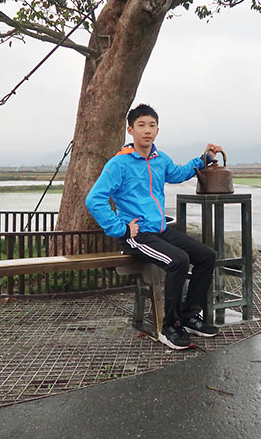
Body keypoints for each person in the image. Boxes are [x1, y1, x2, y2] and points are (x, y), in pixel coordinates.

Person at [85, 103, 222, 350]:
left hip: (159, 230)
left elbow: (179, 174)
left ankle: (190, 315)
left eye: (152, 125)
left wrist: (205, 159)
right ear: (130, 130)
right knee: (178, 260)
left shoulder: (160, 159)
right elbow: (94, 199)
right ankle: (169, 326)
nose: (147, 130)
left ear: (157, 130)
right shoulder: (120, 164)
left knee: (205, 256)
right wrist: (121, 229)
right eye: (141, 125)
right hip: (136, 234)